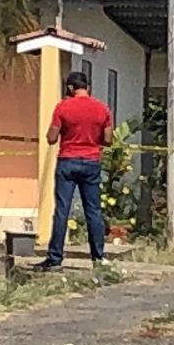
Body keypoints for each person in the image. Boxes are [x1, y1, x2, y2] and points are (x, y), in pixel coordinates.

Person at [34, 71, 113, 272]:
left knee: (62, 210)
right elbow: (108, 140)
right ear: (88, 87)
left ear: (70, 88)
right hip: (91, 162)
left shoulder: (63, 107)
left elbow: (51, 138)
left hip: (68, 161)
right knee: (93, 211)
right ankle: (98, 257)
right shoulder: (102, 108)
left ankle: (55, 258)